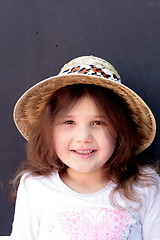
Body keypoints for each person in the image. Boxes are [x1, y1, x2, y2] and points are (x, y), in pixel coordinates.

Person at [10, 56, 160, 240]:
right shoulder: (35, 187)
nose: (83, 137)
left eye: (98, 122)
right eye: (69, 122)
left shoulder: (146, 186)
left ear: (120, 130)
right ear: (49, 131)